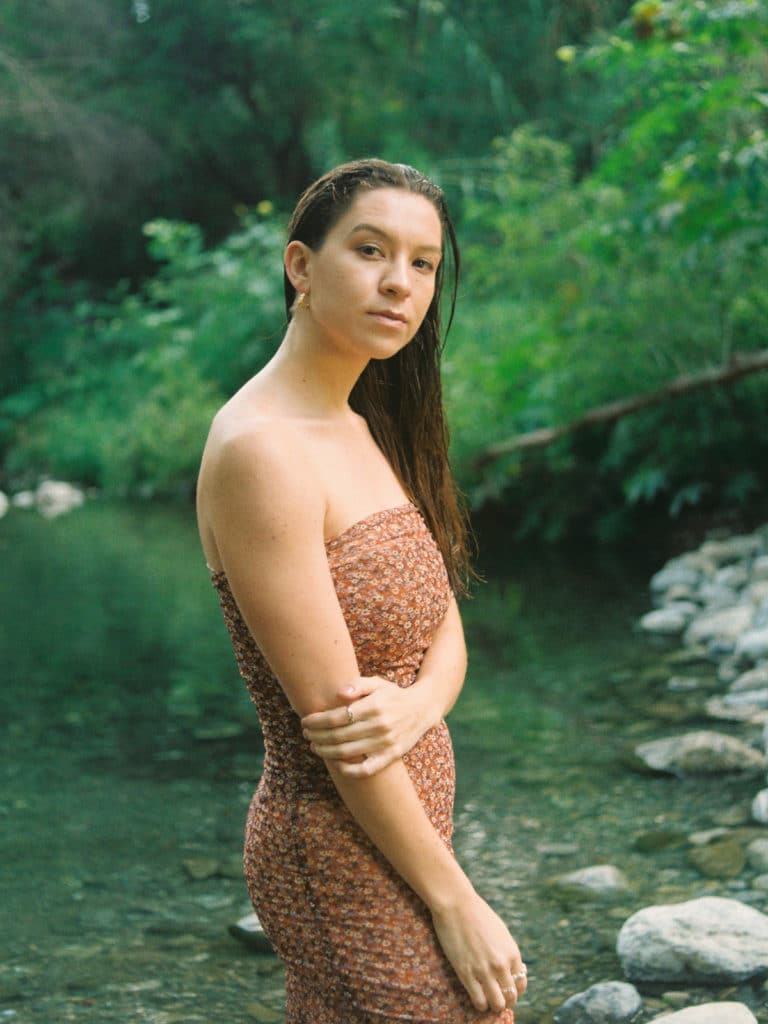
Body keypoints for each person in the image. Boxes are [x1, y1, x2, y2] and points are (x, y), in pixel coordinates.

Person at [196, 158, 527, 1023]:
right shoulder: (261, 452)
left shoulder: (361, 421)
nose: (400, 284)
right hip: (336, 845)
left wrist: (420, 707)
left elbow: (441, 620)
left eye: (423, 264)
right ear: (301, 267)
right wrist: (457, 902)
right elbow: (340, 730)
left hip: (405, 835)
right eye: (371, 250)